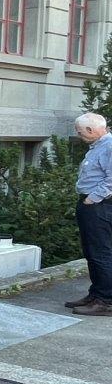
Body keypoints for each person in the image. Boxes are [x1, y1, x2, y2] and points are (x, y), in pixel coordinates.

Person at [68, 112, 112, 316]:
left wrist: (92, 198)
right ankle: (96, 294)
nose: (79, 135)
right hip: (93, 204)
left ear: (90, 130)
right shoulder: (98, 146)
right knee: (92, 252)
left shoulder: (109, 146)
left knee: (100, 253)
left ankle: (105, 300)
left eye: (80, 132)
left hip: (99, 206)